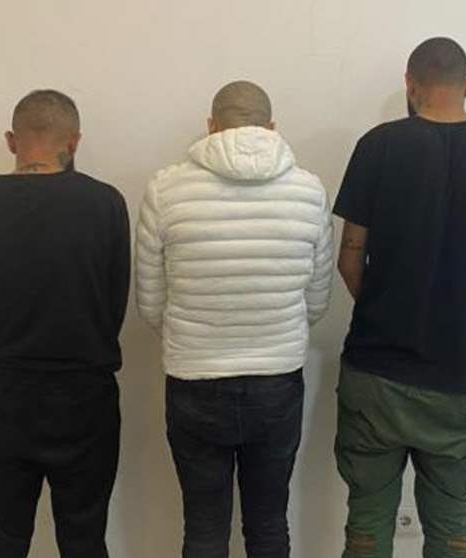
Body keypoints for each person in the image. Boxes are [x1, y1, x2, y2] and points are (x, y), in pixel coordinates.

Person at [332, 37, 466, 558]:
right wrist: (462, 307)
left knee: (367, 526)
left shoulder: (377, 147)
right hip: (457, 372)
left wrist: (384, 306)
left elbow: (349, 258)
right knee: (451, 529)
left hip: (375, 373)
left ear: (410, 84)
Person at [135, 80, 334, 558]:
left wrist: (194, 337)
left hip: (194, 381)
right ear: (271, 127)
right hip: (277, 381)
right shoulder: (308, 192)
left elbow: (150, 301)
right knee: (268, 525)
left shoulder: (166, 190)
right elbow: (316, 299)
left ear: (211, 127)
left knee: (204, 529)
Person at [0, 90, 130, 558]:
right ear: (75, 141)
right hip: (86, 395)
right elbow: (113, 304)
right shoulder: (106, 205)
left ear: (12, 141)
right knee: (85, 540)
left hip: (3, 395)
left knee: (2, 544)